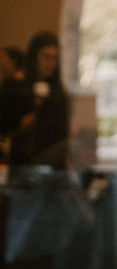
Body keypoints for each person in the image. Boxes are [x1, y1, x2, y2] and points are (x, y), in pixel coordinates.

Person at [9, 31, 70, 170]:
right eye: (46, 57)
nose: (51, 64)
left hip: (51, 156)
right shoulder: (16, 85)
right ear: (34, 56)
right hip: (24, 159)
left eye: (55, 58)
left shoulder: (58, 91)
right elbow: (11, 126)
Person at [0, 46, 26, 143]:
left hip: (14, 136)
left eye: (3, 59)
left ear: (13, 62)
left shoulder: (13, 84)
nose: (0, 63)